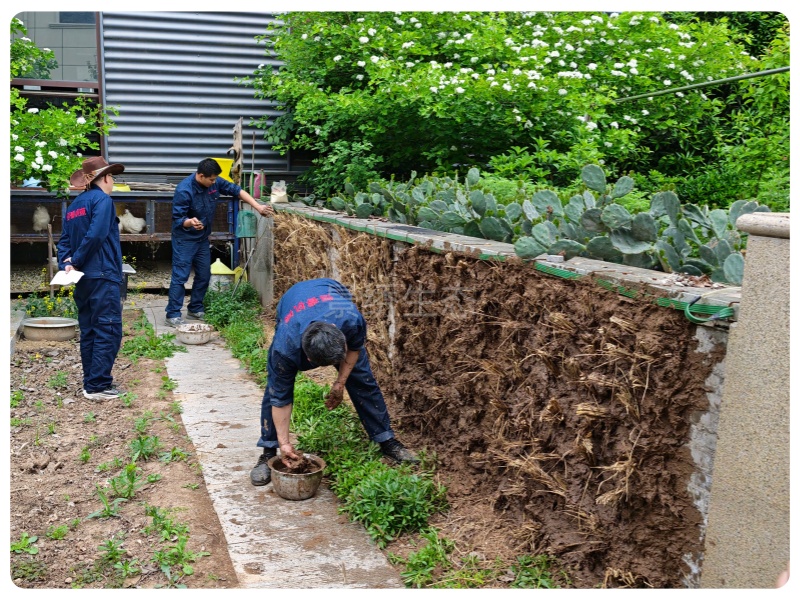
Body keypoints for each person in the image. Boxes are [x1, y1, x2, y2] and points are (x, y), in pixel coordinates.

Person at [250, 278, 419, 486]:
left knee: (362, 378)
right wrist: (285, 443)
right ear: (308, 359)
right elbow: (280, 400)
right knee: (276, 388)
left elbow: (354, 350)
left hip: (329, 290)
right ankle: (269, 451)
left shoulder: (350, 319)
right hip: (293, 302)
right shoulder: (284, 348)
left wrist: (340, 383)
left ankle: (386, 440)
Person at [165, 157, 274, 326]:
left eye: (215, 179)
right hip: (184, 239)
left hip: (202, 238)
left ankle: (195, 308)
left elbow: (237, 190)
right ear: (200, 176)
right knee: (180, 276)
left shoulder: (214, 182)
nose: (214, 182)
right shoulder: (184, 190)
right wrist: (190, 222)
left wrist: (258, 207)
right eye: (211, 179)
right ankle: (172, 314)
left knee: (204, 274)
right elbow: (178, 219)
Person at [57, 156, 126, 401]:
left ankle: (91, 382)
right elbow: (96, 236)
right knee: (108, 328)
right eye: (112, 177)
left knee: (89, 330)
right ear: (105, 177)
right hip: (102, 274)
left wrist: (66, 262)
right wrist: (76, 260)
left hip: (82, 278)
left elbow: (64, 240)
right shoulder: (103, 201)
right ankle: (97, 386)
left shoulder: (75, 205)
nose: (113, 181)